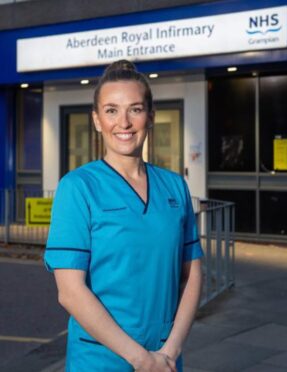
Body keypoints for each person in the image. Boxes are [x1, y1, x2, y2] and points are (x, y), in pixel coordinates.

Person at [44, 60, 203, 371]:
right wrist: (141, 359)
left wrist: (170, 351)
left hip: (165, 359)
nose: (124, 122)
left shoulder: (174, 187)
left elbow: (192, 275)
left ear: (150, 116)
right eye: (112, 110)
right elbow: (70, 292)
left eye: (135, 109)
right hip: (101, 360)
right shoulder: (77, 188)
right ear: (97, 120)